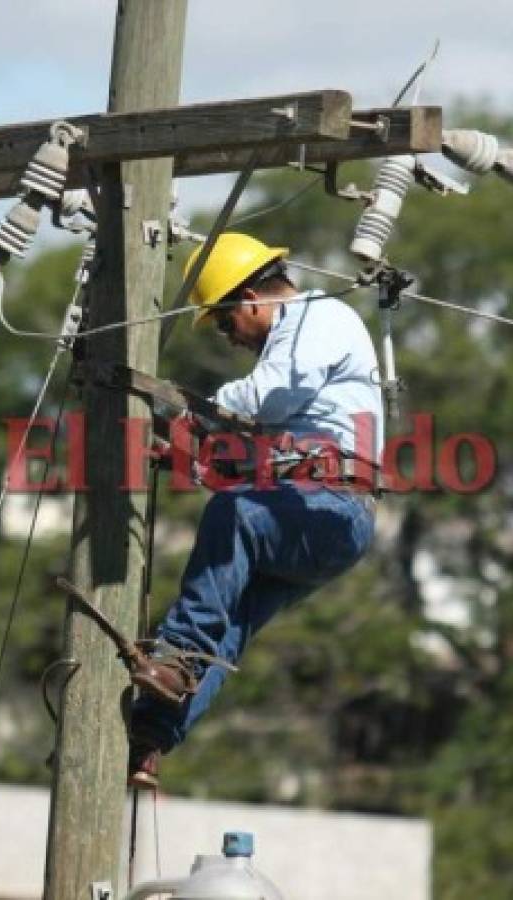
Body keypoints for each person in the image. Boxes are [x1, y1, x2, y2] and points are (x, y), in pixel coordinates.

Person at [127, 232, 384, 789]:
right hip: (312, 509)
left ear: (248, 299)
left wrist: (196, 415)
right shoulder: (297, 342)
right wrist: (188, 454)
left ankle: (173, 659)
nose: (229, 339)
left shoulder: (317, 316)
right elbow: (266, 453)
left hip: (331, 509)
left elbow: (272, 394)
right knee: (232, 621)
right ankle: (148, 737)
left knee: (236, 514)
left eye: (224, 323)